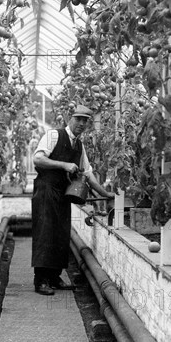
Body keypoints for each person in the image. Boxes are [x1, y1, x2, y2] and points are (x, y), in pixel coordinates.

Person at [31, 105, 115, 296]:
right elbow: (38, 159)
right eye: (79, 119)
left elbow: (88, 174)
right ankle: (41, 280)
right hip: (45, 190)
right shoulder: (54, 136)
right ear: (71, 118)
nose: (82, 124)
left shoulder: (79, 145)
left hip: (63, 193)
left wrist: (105, 193)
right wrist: (63, 165)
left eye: (85, 121)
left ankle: (54, 277)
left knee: (61, 233)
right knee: (46, 232)